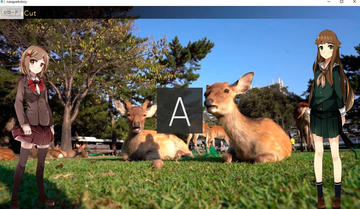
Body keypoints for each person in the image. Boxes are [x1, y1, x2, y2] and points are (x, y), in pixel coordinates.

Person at [307, 30, 354, 209]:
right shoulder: (316, 68)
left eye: (329, 46)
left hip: (332, 114)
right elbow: (314, 92)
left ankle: (337, 196)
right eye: (321, 47)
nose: (325, 50)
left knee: (335, 155)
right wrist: (310, 111)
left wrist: (342, 113)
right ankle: (320, 196)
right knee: (318, 153)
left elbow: (338, 94)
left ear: (335, 48)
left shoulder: (335, 70)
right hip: (317, 114)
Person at [10, 45, 55, 208]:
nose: (38, 66)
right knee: (22, 163)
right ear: (28, 61)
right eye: (35, 61)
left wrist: (51, 124)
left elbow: (47, 104)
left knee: (41, 165)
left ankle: (42, 196)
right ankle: (14, 199)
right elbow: (18, 103)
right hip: (29, 126)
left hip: (44, 127)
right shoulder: (22, 81)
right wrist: (23, 123)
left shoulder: (43, 83)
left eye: (42, 64)